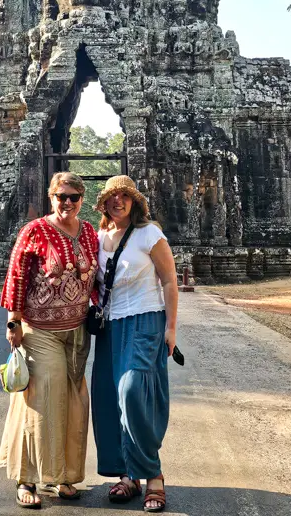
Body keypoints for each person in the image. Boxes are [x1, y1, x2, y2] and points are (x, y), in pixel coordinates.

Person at [0, 172, 99, 509]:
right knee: (41, 402)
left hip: (77, 331)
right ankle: (26, 478)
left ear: (82, 199)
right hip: (39, 330)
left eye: (73, 196)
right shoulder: (35, 231)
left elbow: (96, 276)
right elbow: (17, 276)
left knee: (73, 402)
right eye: (60, 196)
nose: (67, 202)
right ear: (50, 196)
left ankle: (62, 476)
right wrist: (13, 321)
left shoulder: (88, 232)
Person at [91, 175, 179, 514]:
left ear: (135, 202)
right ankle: (128, 474)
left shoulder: (149, 234)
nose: (118, 201)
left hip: (145, 319)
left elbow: (170, 281)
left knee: (133, 392)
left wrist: (171, 327)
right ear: (103, 204)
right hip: (110, 325)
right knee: (109, 398)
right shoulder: (98, 238)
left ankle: (152, 473)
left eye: (124, 196)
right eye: (112, 197)